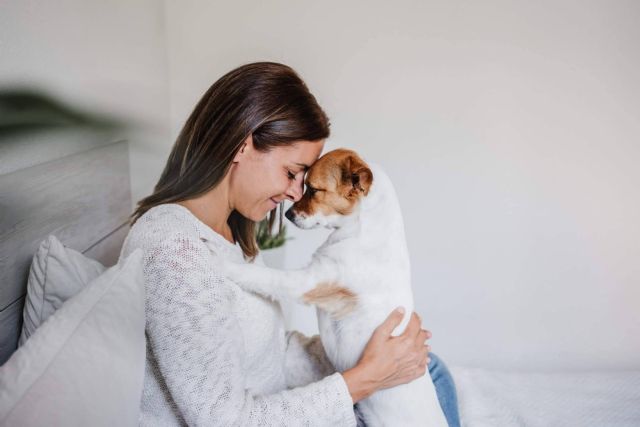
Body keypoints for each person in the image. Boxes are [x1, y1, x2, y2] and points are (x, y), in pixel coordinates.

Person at [119, 61, 460, 426]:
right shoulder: (176, 252)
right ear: (241, 146)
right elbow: (227, 421)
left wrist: (376, 353)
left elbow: (269, 355)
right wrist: (364, 379)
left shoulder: (227, 233)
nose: (297, 192)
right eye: (292, 172)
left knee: (430, 369)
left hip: (293, 399)